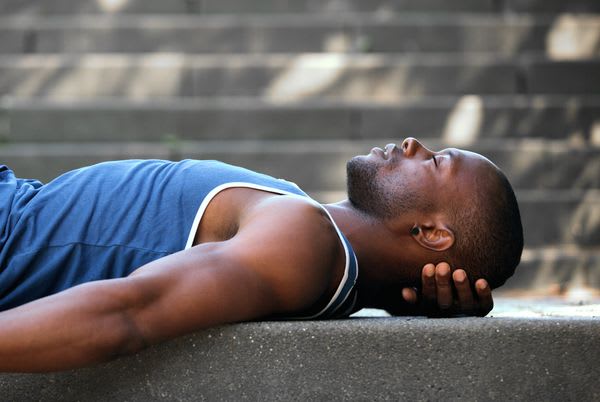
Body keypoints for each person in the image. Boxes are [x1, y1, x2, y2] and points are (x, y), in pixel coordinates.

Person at [0, 137, 523, 372]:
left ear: (432, 235)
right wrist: (406, 297)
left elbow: (127, 315)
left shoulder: (302, 243)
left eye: (435, 164)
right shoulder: (316, 234)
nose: (412, 144)